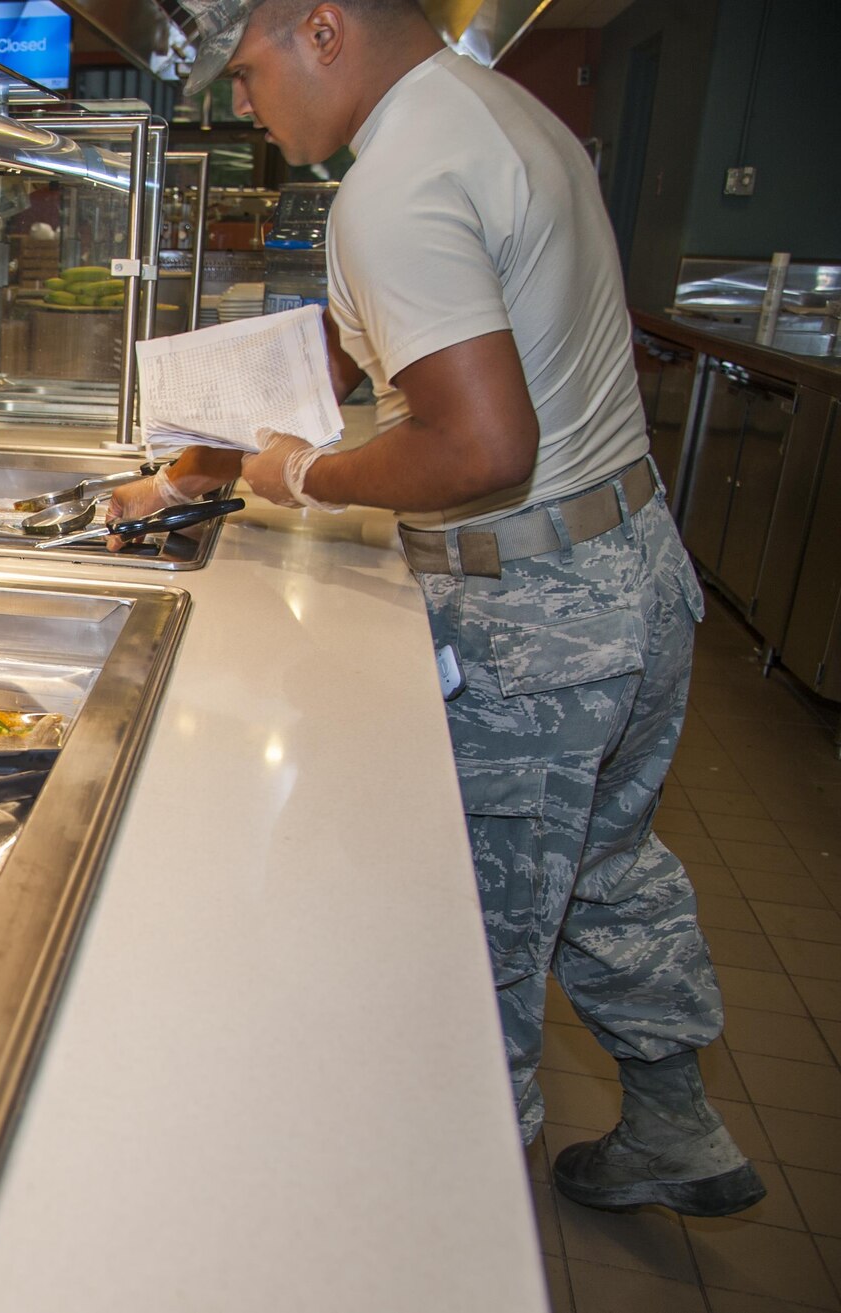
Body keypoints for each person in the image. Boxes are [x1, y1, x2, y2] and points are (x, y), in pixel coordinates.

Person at [110, 0, 765, 1216]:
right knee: (597, 860)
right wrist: (195, 451)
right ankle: (674, 1120)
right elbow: (359, 349)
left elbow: (476, 443)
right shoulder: (495, 114)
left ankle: (453, 1213)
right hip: (626, 571)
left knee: (474, 935)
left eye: (244, 74)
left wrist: (297, 477)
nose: (241, 105)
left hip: (534, 619)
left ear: (318, 29)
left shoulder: (393, 180)